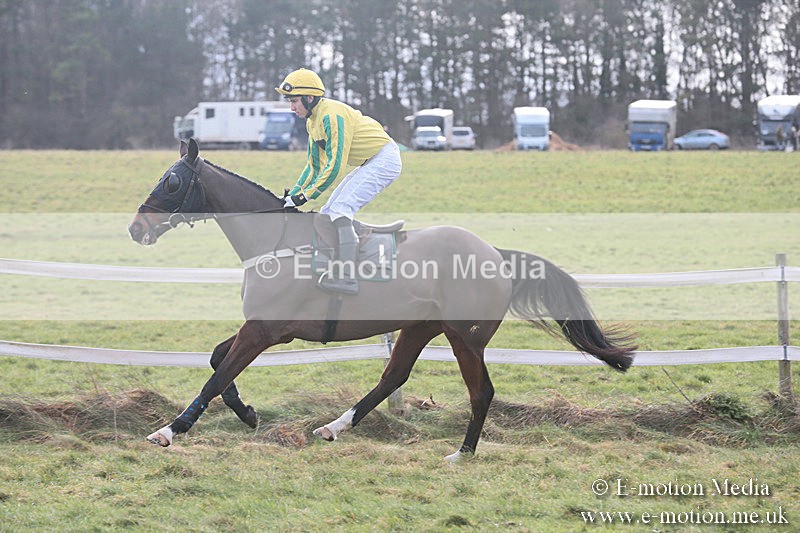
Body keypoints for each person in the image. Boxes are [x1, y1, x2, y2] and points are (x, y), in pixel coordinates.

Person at [276, 68, 402, 294]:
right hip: (370, 161)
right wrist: (293, 194)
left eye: (294, 101)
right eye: (290, 102)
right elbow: (313, 166)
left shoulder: (331, 116)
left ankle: (348, 277)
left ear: (309, 98)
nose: (292, 107)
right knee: (327, 211)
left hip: (384, 159)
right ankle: (337, 260)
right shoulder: (311, 121)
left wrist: (305, 197)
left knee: (342, 208)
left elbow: (334, 166)